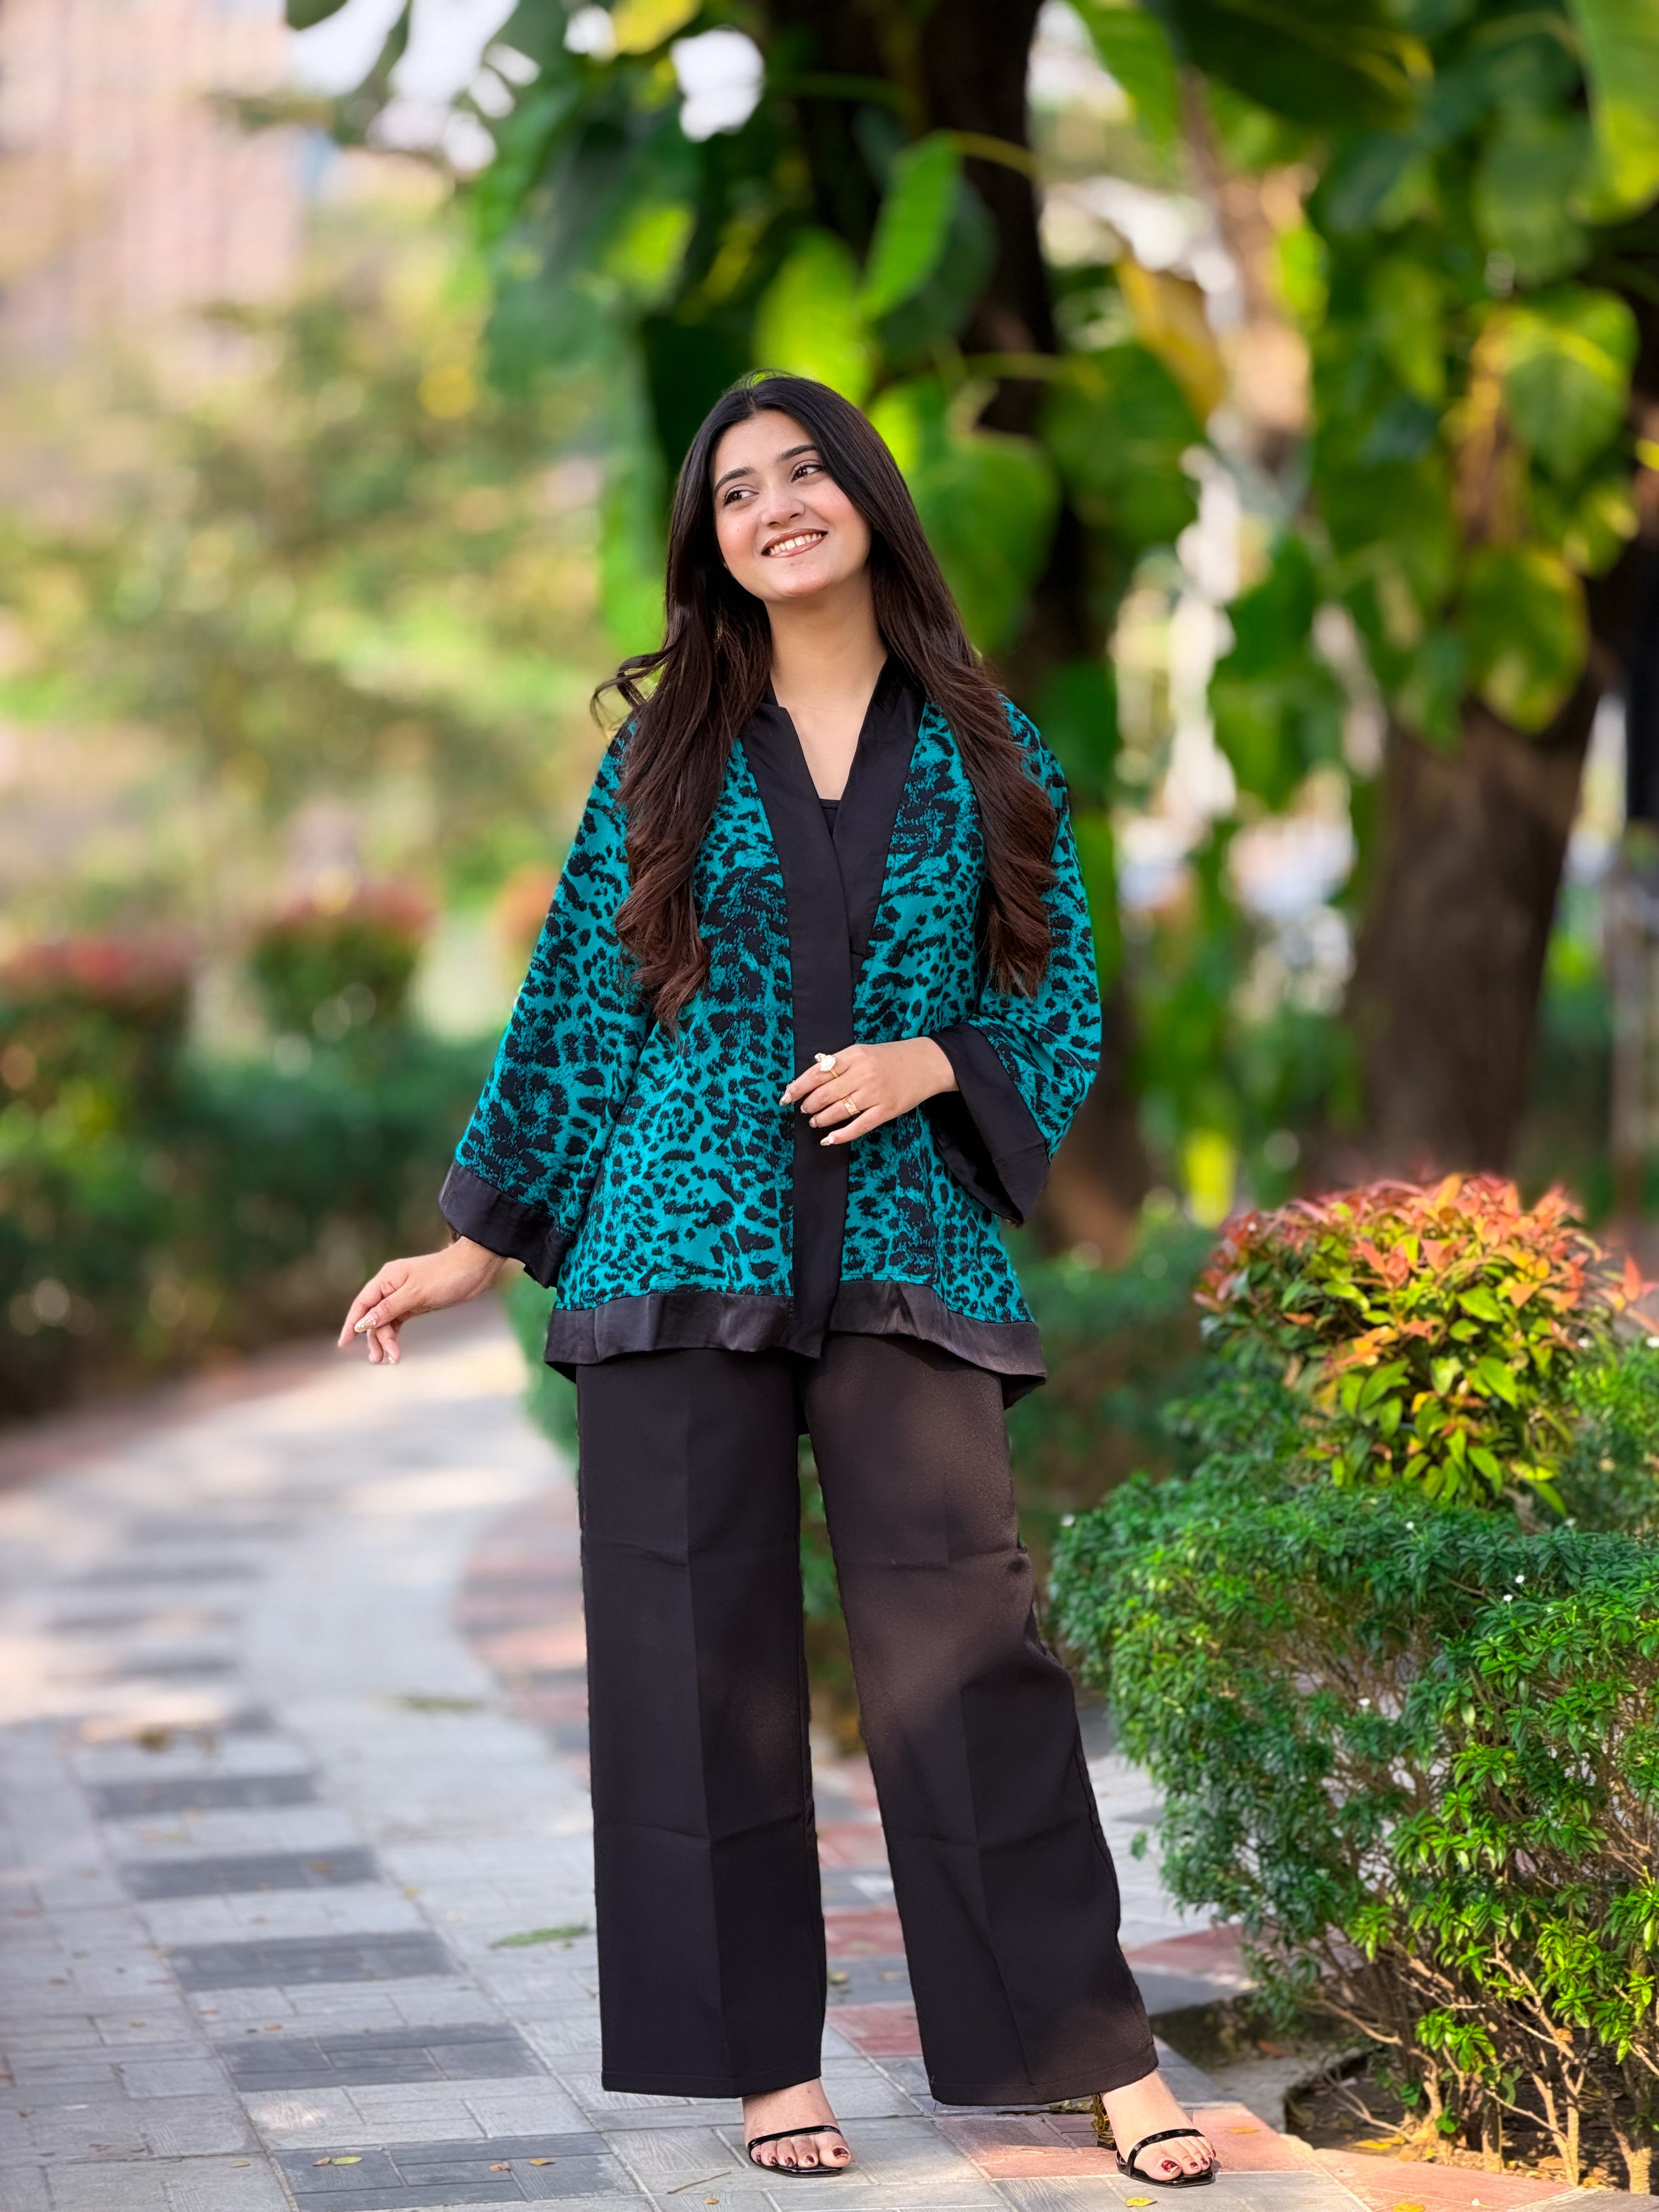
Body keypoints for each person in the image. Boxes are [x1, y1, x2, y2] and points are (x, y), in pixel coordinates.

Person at [339, 373, 1217, 2189]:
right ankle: (759, 2064)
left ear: (869, 503)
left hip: (902, 1247)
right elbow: (582, 1007)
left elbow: (1052, 1002)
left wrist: (931, 1065)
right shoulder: (665, 754)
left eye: (807, 471)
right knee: (691, 1661)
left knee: (967, 1653)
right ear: (712, 543)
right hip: (678, 1252)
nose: (776, 505)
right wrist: (474, 1239)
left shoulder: (992, 748)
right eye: (738, 490)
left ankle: (1094, 2050)